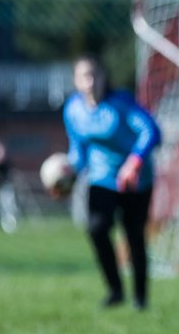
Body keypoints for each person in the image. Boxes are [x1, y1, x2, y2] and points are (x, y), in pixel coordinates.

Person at [57, 55, 161, 309]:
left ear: (103, 77)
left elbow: (151, 132)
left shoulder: (121, 103)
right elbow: (79, 153)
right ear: (76, 81)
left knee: (134, 235)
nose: (90, 82)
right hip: (101, 177)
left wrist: (133, 163)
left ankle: (140, 297)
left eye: (94, 75)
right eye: (84, 76)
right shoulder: (73, 110)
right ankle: (115, 290)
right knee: (96, 227)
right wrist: (67, 173)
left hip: (136, 179)